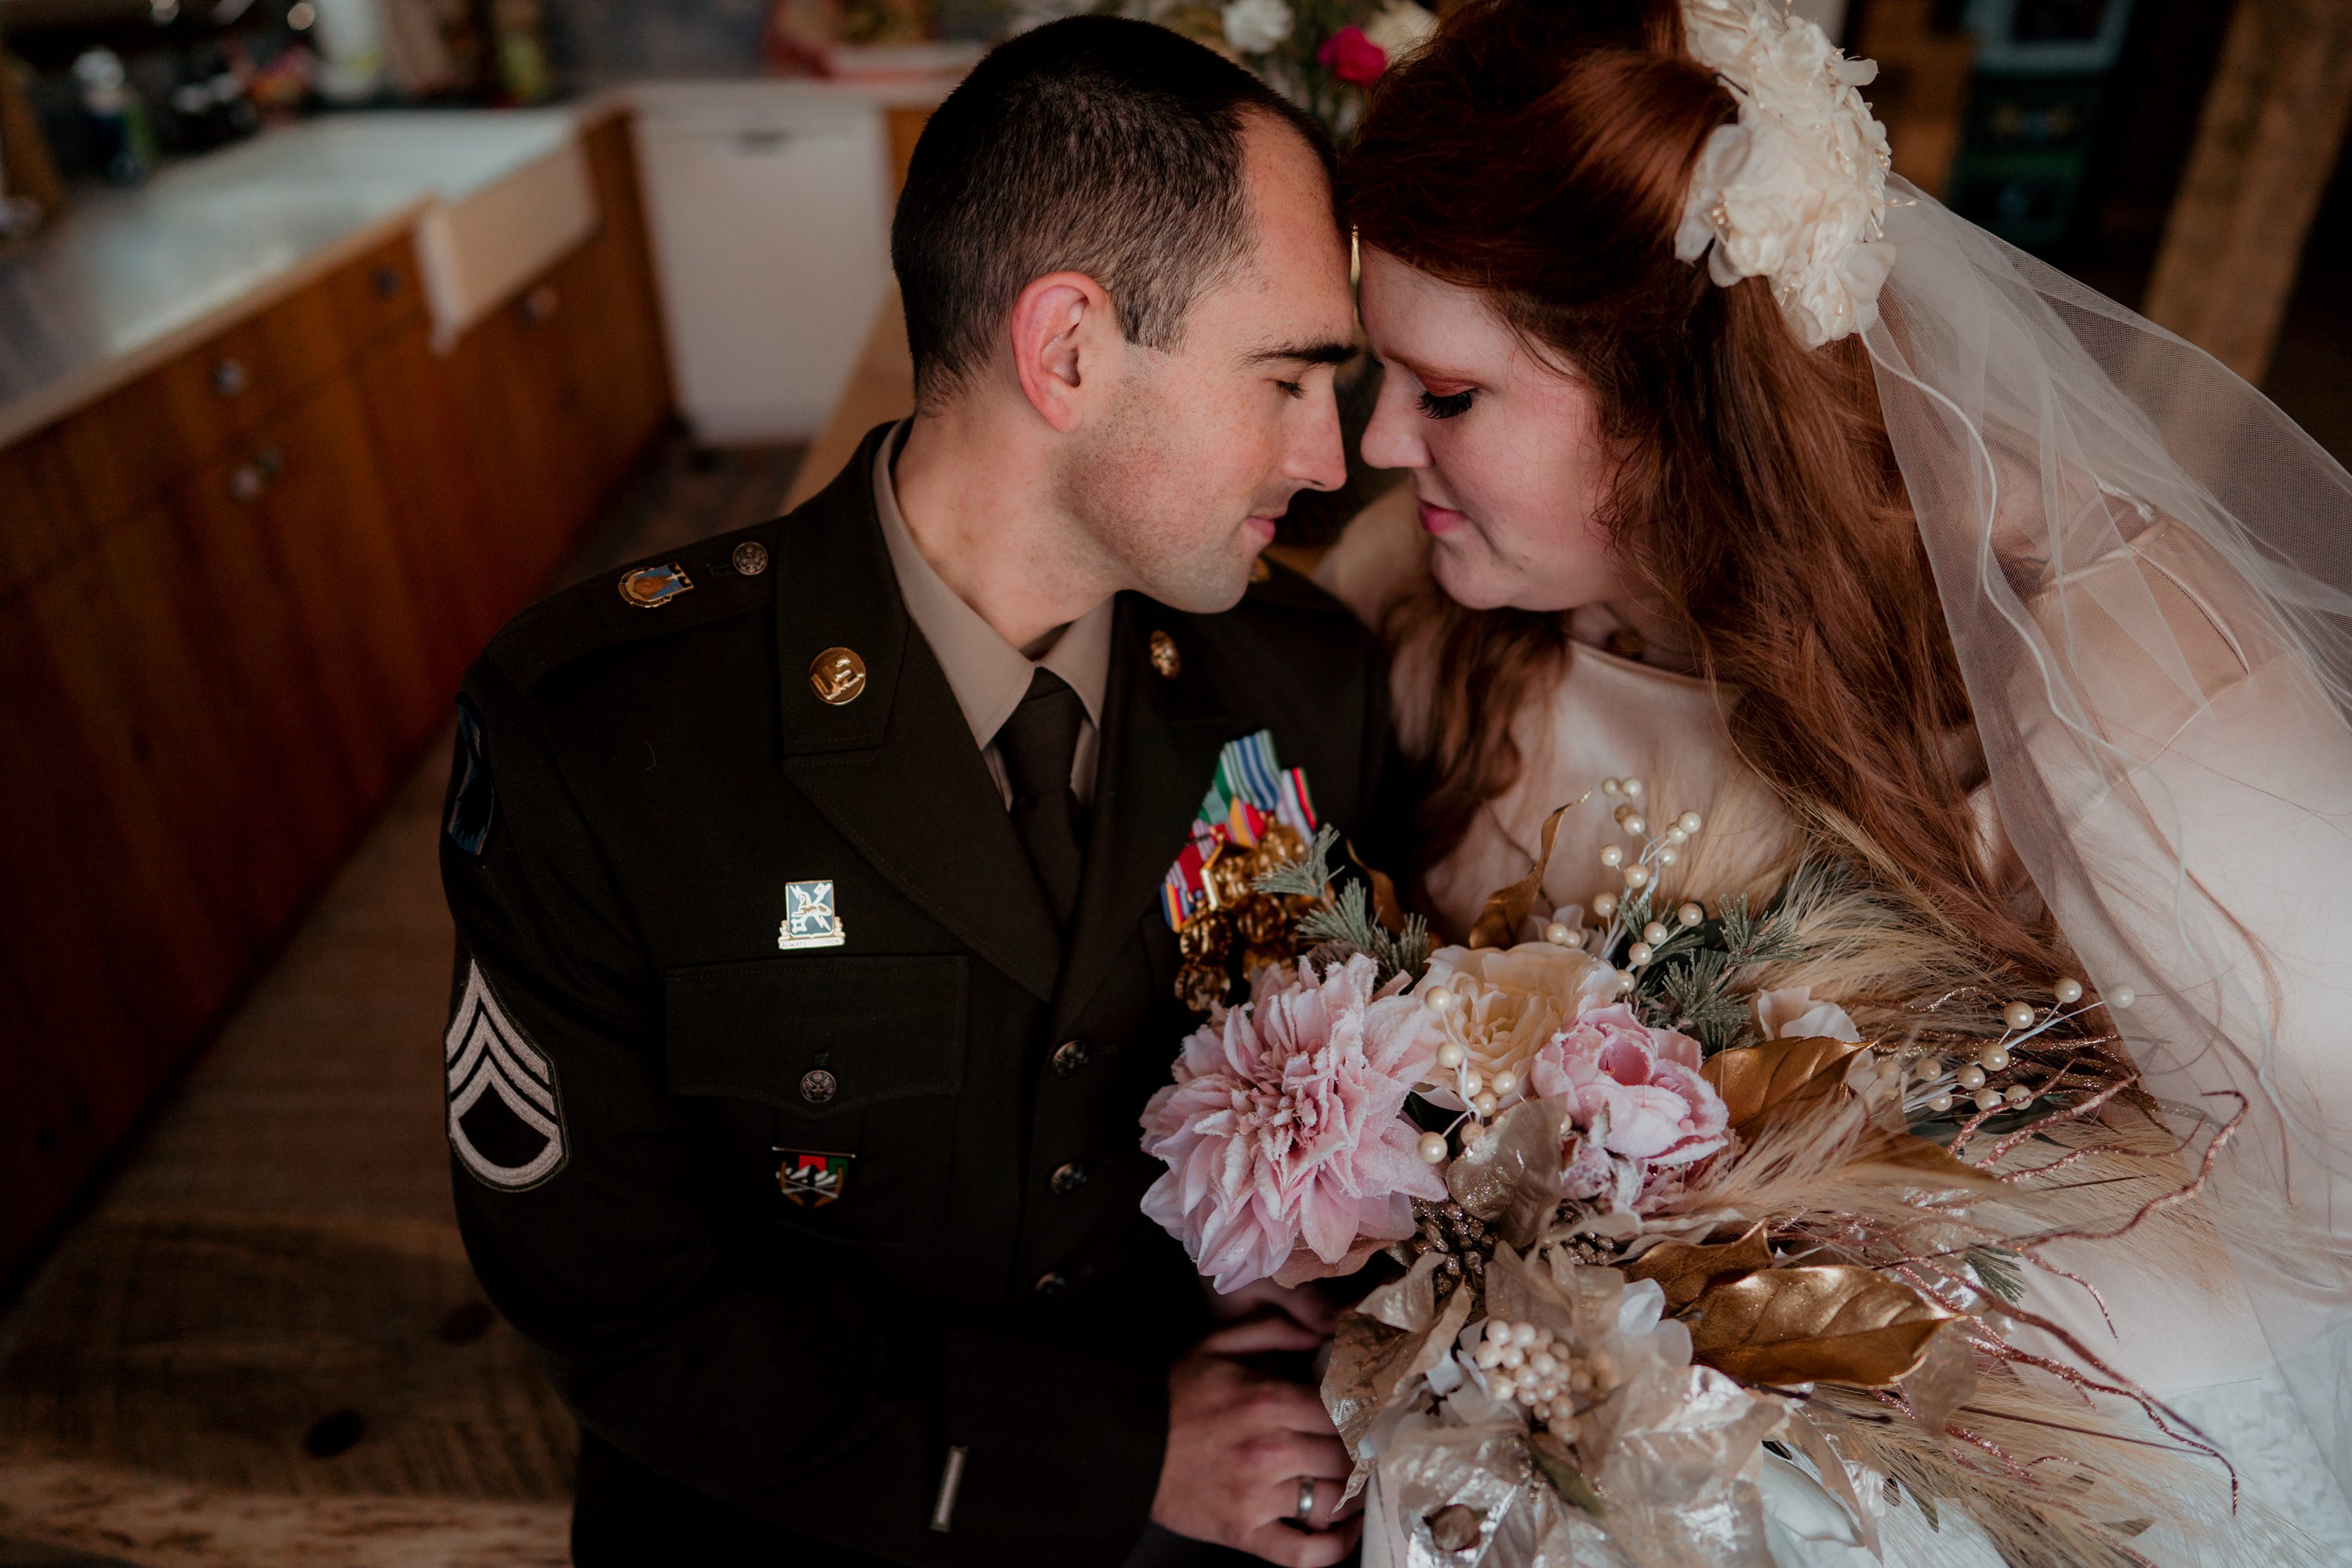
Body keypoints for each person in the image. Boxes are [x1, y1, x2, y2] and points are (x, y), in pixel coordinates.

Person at [1317, 0, 2352, 1559]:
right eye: (1372, 371)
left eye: (1448, 393)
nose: (1377, 440)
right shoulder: (1425, 600)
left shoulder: (2054, 669)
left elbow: (2305, 1143)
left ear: (1665, 399)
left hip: (1966, 1462)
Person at [438, 17, 1392, 1566]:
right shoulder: (606, 741)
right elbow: (619, 1304)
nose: (1330, 456)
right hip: (803, 1517)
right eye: (1288, 377)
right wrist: (1119, 1453)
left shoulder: (1301, 686)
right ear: (1067, 349)